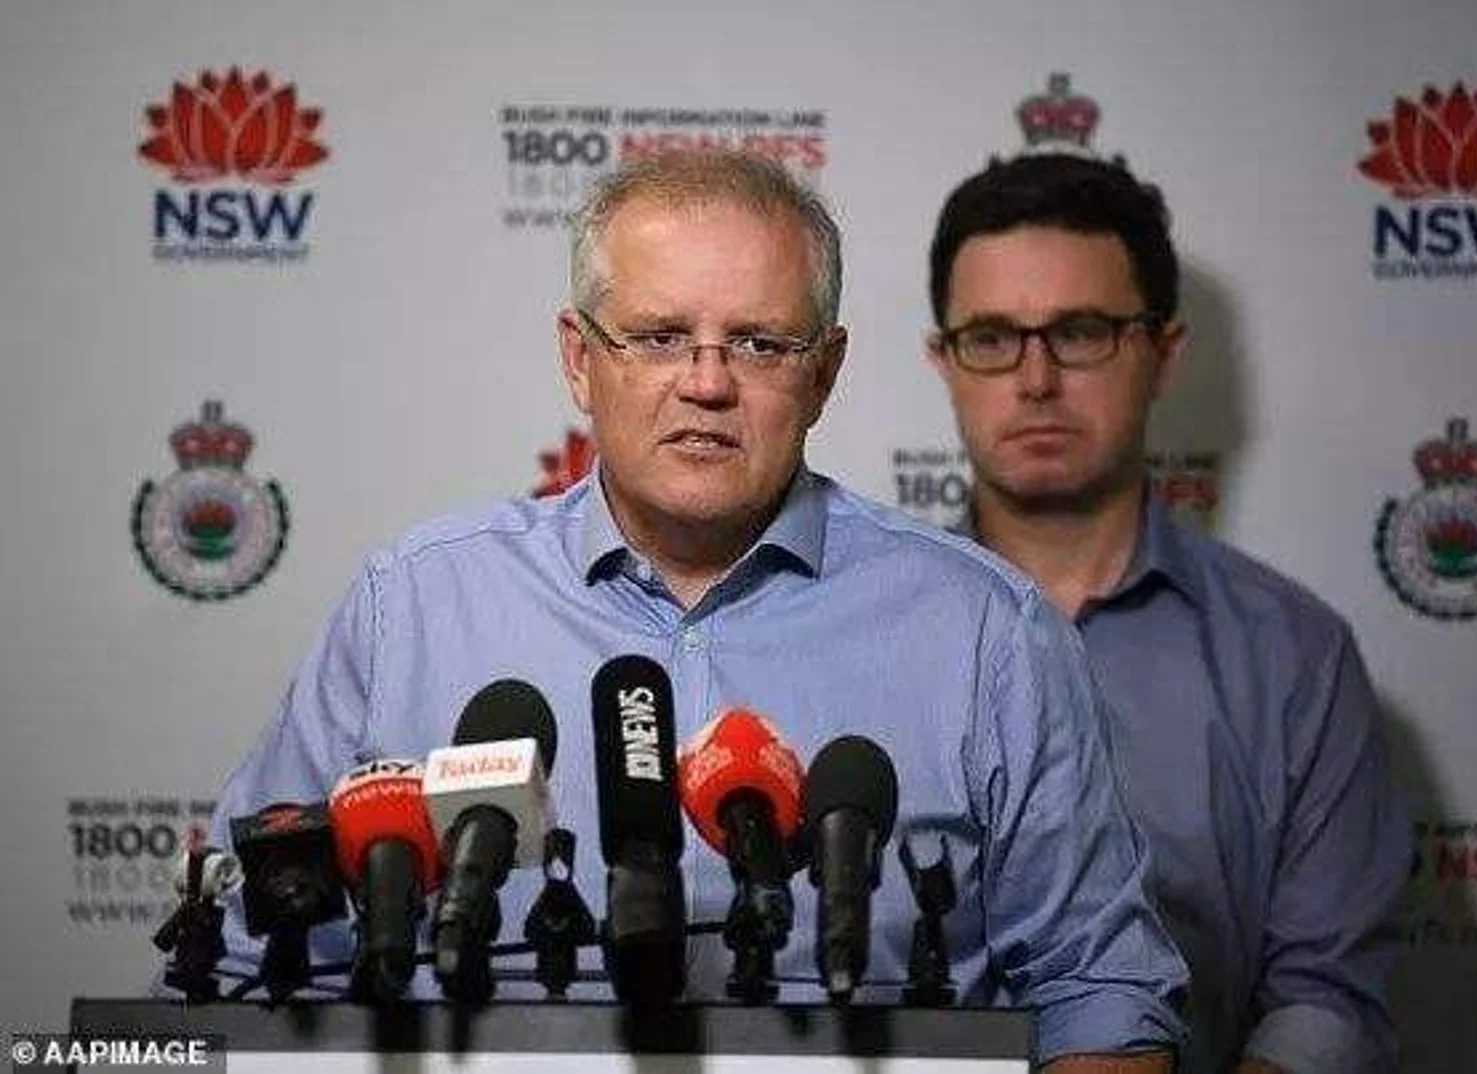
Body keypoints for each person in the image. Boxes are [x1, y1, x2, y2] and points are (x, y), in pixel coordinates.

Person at [204, 150, 1188, 1071]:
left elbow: (1100, 996)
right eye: (659, 337)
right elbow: (246, 969)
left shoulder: (987, 633)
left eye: (759, 343)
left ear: (824, 372)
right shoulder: (413, 607)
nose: (707, 384)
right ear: (579, 358)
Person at [923, 152, 1411, 1074]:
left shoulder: (1293, 658)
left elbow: (1325, 1004)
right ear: (943, 362)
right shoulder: (857, 633)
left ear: (1163, 353)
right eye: (990, 337)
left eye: (1080, 332)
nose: (1035, 379)